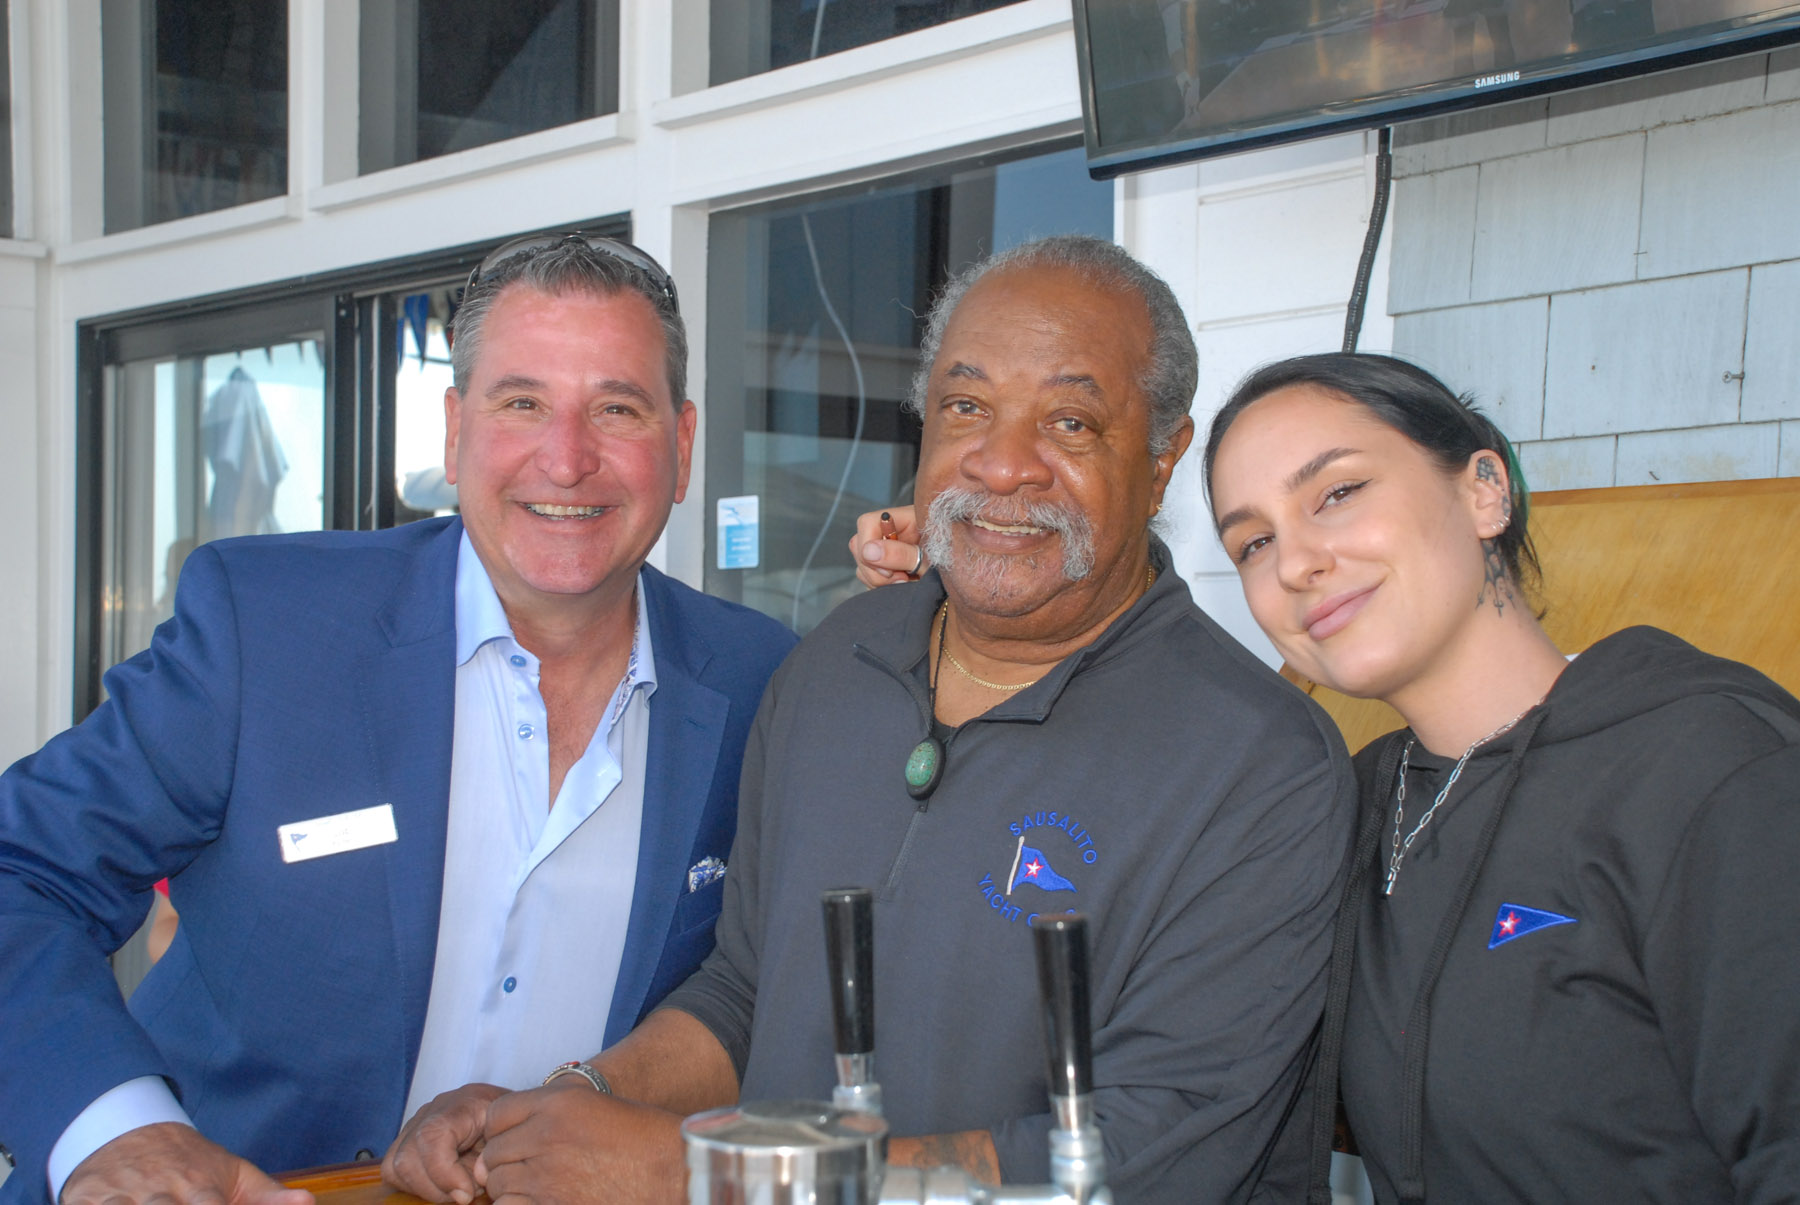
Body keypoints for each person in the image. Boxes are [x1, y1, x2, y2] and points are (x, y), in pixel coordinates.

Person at [386, 235, 1356, 1205]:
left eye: (1069, 421)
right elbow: (748, 991)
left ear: (1162, 457)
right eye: (966, 407)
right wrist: (567, 1104)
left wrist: (704, 1176)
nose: (1003, 464)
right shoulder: (833, 665)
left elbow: (1152, 1157)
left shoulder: (1260, 762)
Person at [0, 235, 796, 1205]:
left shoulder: (760, 680)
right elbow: (21, 870)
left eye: (616, 408)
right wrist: (118, 1131)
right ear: (455, 432)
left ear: (683, 444)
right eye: (522, 402)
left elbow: (756, 983)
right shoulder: (269, 627)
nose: (567, 457)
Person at [1201, 353, 1800, 1202]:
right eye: (1254, 542)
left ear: (1485, 490)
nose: (1295, 562)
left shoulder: (1714, 769)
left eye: (1337, 492)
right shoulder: (1342, 805)